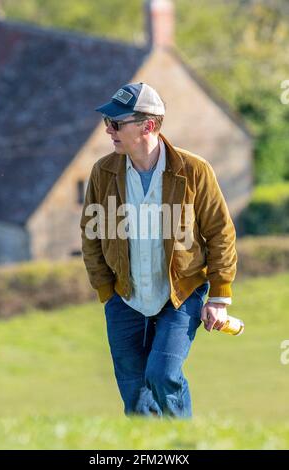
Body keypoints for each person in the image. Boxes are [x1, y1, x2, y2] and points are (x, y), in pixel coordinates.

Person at [80, 82, 237, 418]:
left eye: (117, 123)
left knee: (163, 375)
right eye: (108, 123)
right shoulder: (102, 172)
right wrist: (106, 290)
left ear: (147, 126)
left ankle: (183, 443)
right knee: (135, 399)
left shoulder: (194, 171)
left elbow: (220, 233)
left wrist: (219, 297)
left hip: (181, 293)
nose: (108, 130)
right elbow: (91, 235)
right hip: (124, 296)